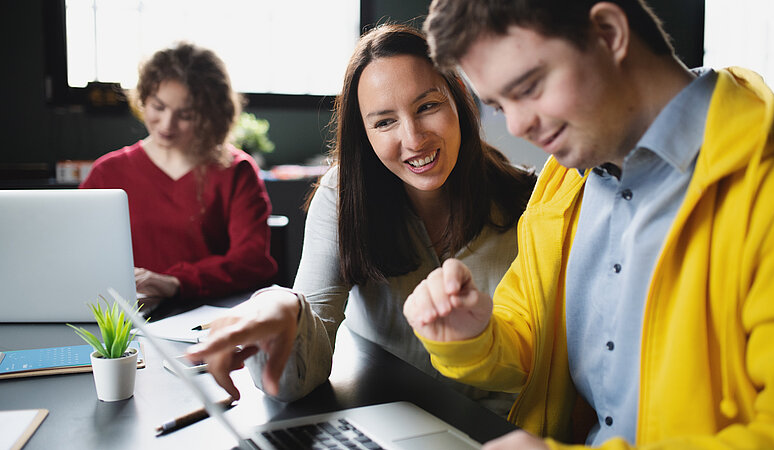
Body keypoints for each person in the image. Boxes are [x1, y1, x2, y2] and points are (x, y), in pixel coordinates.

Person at [403, 0, 774, 448]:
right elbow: (535, 336)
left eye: (529, 87)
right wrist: (471, 333)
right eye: (498, 104)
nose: (517, 126)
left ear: (610, 33)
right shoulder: (564, 179)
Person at [185, 24, 537, 417]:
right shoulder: (343, 196)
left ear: (458, 99)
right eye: (384, 122)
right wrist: (283, 307)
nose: (414, 138)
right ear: (364, 134)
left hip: (508, 431)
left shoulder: (530, 199)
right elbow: (295, 378)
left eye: (427, 106)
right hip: (394, 421)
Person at [81, 42, 278, 309]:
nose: (167, 125)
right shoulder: (107, 172)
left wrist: (174, 282)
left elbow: (251, 261)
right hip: (123, 318)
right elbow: (78, 253)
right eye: (158, 107)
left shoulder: (236, 170)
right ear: (144, 99)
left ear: (210, 116)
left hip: (209, 319)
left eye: (185, 115)